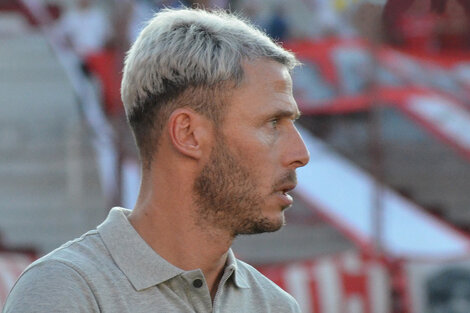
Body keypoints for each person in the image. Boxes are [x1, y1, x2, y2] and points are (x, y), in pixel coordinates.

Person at [3, 8, 310, 312]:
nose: (301, 155)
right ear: (188, 133)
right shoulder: (65, 292)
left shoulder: (275, 305)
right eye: (273, 123)